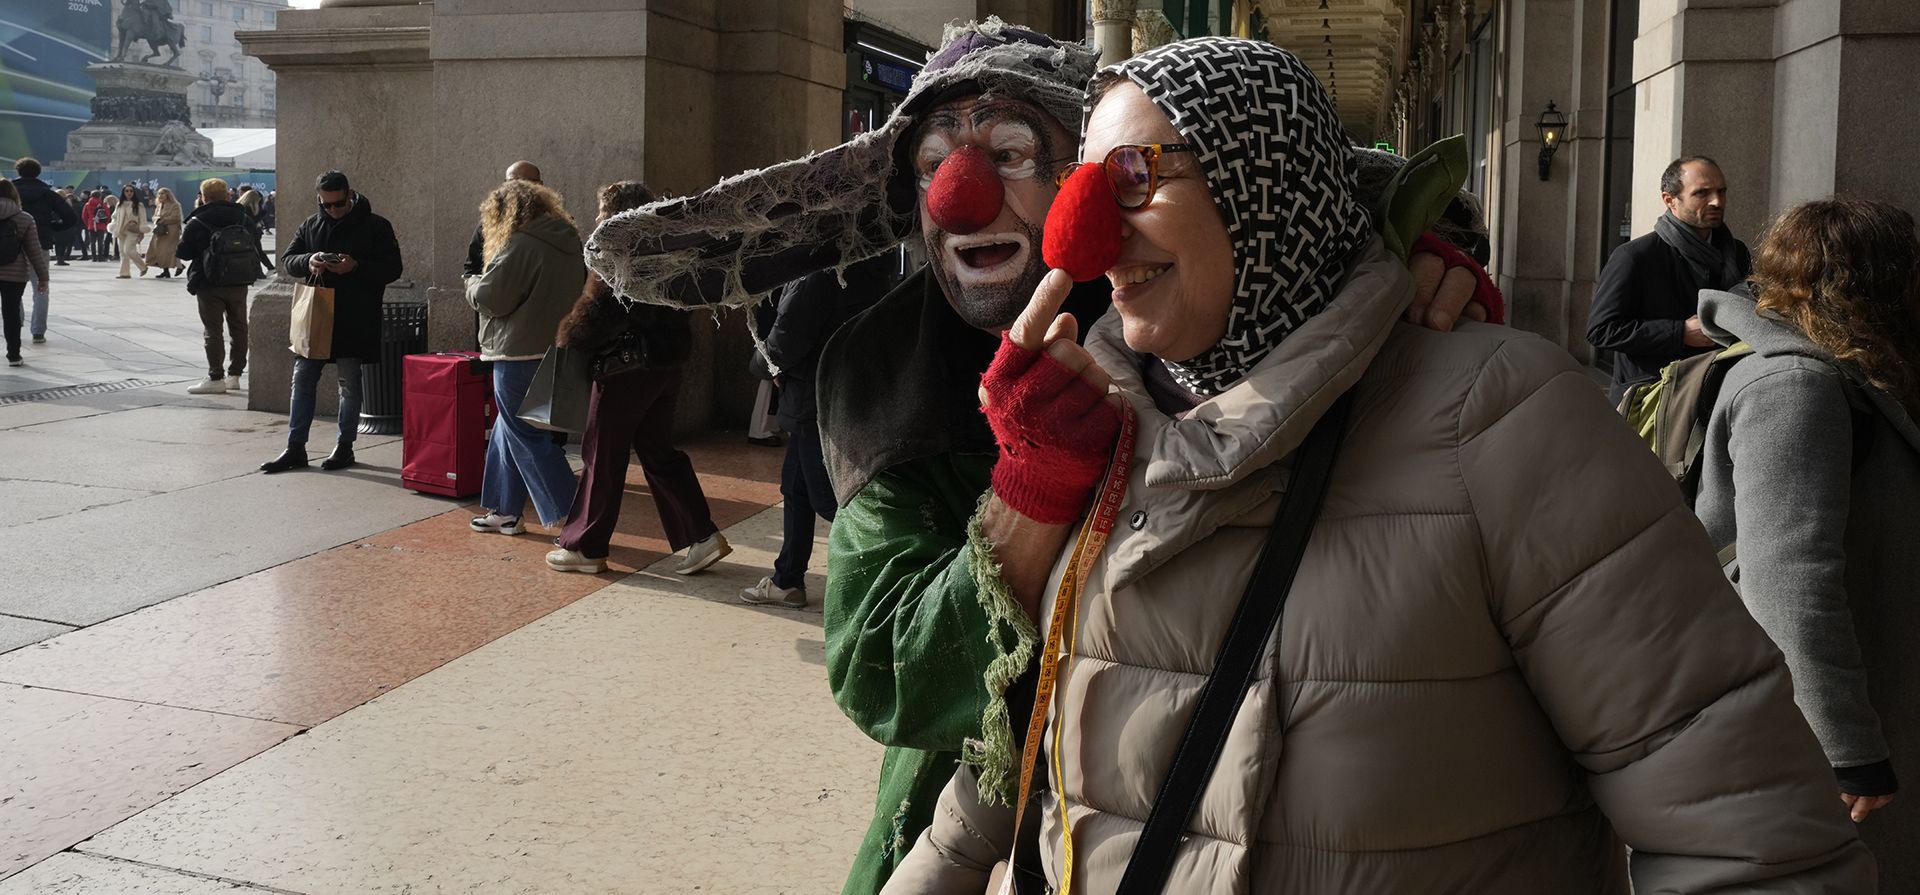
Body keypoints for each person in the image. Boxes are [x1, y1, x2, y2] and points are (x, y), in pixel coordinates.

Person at [881, 38, 1871, 894]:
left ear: (1263, 183)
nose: (1082, 232)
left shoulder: (1506, 420)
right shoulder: (1093, 423)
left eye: (1135, 174)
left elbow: (1744, 828)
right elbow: (1024, 739)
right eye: (1084, 183)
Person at [583, 21, 1505, 895]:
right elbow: (885, 672)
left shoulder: (1182, 314)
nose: (960, 195)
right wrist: (1032, 489)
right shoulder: (885, 370)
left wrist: (1378, 287)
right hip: (971, 812)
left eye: (1013, 152)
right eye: (933, 165)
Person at [1695, 196, 1920, 882]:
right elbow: (1791, 581)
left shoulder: (1838, 370)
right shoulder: (1796, 384)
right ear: (1874, 283)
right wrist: (1847, 745)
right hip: (1828, 734)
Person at [544, 180, 732, 575]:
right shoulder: (670, 245)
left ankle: (585, 546)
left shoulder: (620, 246)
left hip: (624, 368)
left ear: (616, 212)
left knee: (602, 454)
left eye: (602, 210)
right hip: (665, 364)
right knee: (658, 451)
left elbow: (600, 309)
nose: (598, 217)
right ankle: (702, 535)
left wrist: (569, 336)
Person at [739, 257, 892, 608]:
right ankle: (787, 580)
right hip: (844, 391)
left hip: (814, 398)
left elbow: (786, 339)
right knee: (795, 489)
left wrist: (762, 365)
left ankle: (880, 582)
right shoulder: (869, 264)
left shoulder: (816, 272)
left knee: (829, 500)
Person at [462, 179, 584, 535]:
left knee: (526, 434)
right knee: (509, 427)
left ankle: (574, 515)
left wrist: (470, 282)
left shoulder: (520, 243)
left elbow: (491, 297)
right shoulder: (568, 241)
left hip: (517, 352)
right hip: (554, 348)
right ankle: (505, 510)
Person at [263, 170, 403, 474]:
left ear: (350, 194)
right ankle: (295, 447)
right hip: (317, 316)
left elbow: (393, 269)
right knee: (302, 380)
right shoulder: (311, 224)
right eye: (326, 205)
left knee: (349, 384)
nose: (333, 210)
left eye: (338, 204)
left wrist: (355, 266)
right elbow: (288, 260)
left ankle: (344, 446)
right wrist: (309, 260)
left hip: (355, 317)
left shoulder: (376, 226)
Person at [1587, 156, 1751, 401]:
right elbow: (1601, 330)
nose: (1717, 201)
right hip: (1653, 400)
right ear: (1670, 200)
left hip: (1718, 392)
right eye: (1702, 193)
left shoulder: (1736, 252)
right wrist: (1679, 332)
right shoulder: (1635, 256)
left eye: (1721, 191)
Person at [176, 178, 267, 395]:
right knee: (239, 327)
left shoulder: (197, 221)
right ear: (228, 195)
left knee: (213, 330)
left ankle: (215, 377)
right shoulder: (243, 217)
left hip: (209, 282)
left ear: (204, 197)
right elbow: (255, 243)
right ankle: (235, 376)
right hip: (239, 280)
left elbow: (184, 253)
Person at [11, 160, 77, 344]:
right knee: (40, 287)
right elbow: (70, 217)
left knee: (13, 288)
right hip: (40, 243)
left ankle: (15, 324)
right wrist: (52, 227)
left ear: (18, 171)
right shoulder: (47, 193)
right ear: (38, 172)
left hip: (12, 245)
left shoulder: (9, 191)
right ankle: (38, 331)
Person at [0, 180, 52, 367]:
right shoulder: (25, 218)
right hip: (15, 273)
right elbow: (34, 251)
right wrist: (43, 277)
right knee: (11, 313)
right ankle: (14, 355)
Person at [465, 161, 542, 278]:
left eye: (524, 182)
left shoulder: (556, 223)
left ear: (540, 185)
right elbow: (472, 269)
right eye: (511, 183)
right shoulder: (491, 223)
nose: (516, 188)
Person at [145, 187, 185, 279]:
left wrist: (162, 220)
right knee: (160, 251)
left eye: (162, 193)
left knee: (169, 251)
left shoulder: (175, 205)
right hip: (160, 231)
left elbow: (176, 218)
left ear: (168, 194)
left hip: (171, 231)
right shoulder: (159, 205)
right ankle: (166, 271)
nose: (160, 195)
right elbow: (154, 217)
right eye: (159, 194)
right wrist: (157, 219)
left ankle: (179, 266)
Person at [109, 191, 148, 278]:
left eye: (131, 191)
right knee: (122, 252)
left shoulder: (139, 205)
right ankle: (124, 273)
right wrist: (113, 226)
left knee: (129, 250)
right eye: (126, 191)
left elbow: (143, 219)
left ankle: (143, 267)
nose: (129, 193)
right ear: (123, 193)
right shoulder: (120, 204)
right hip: (121, 230)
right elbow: (114, 217)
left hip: (133, 230)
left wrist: (142, 231)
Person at [55, 187, 83, 265]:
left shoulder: (53, 202)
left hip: (56, 225)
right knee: (63, 242)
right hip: (66, 225)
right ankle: (61, 258)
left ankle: (58, 259)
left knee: (58, 243)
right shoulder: (67, 202)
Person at [82, 189, 109, 264]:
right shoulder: (102, 204)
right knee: (100, 242)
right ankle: (100, 257)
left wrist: (88, 223)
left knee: (92, 242)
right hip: (101, 225)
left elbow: (84, 216)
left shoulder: (87, 204)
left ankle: (94, 257)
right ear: (100, 196)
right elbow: (107, 215)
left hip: (91, 224)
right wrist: (105, 223)